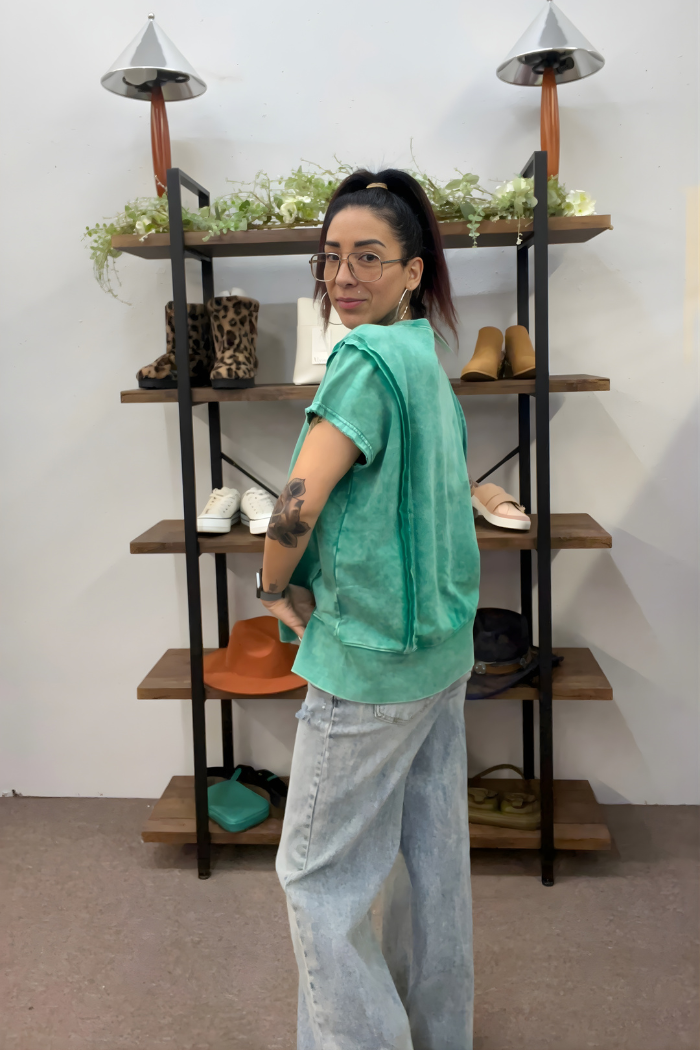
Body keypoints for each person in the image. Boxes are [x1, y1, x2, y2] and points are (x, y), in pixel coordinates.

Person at [259, 169, 480, 1050]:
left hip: (370, 658)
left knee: (317, 877)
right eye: (330, 257)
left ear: (412, 270)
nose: (343, 277)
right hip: (441, 651)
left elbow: (296, 502)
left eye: (368, 257)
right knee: (433, 865)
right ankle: (436, 1032)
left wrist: (272, 587)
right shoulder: (425, 357)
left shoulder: (362, 361)